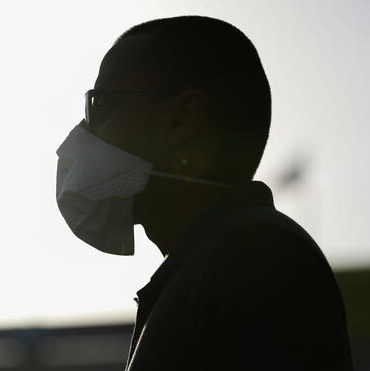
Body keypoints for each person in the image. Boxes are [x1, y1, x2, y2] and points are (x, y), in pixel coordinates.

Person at [55, 15, 354, 371]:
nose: (85, 132)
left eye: (100, 106)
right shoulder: (210, 266)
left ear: (181, 119)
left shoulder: (258, 258)